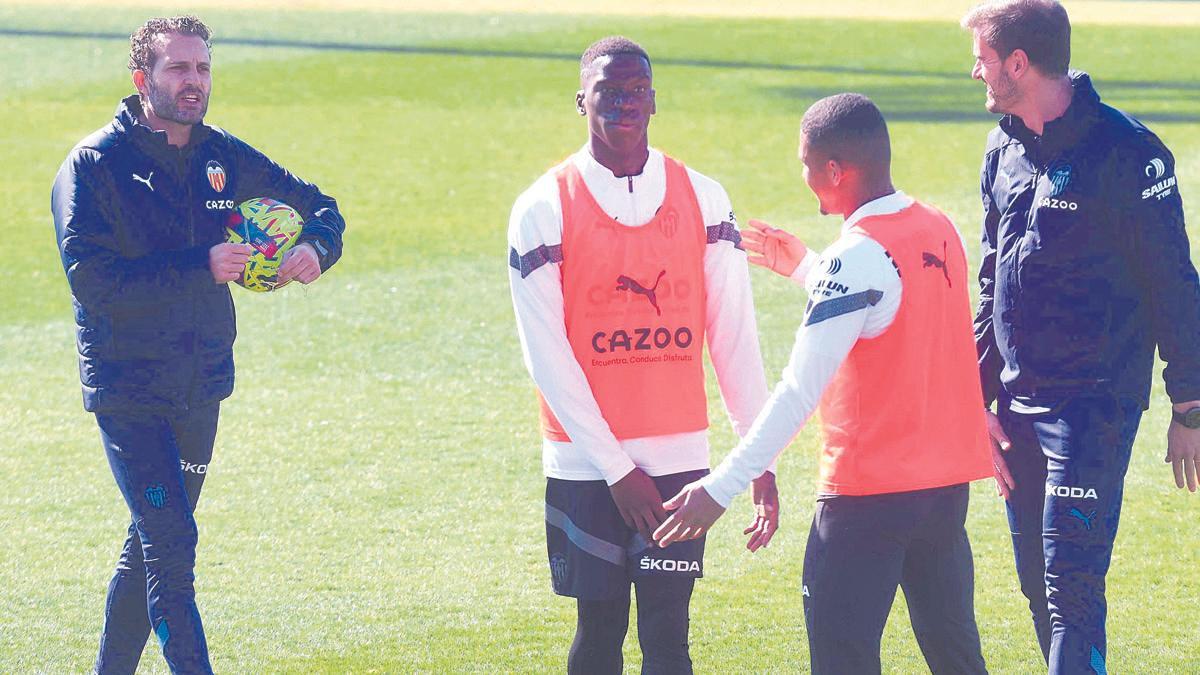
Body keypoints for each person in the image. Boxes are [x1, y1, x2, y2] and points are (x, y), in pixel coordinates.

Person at [654, 93, 993, 674]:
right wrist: (809, 267)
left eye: (807, 164)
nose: (804, 176)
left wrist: (721, 487)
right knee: (957, 656)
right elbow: (895, 308)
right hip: (941, 496)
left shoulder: (854, 258)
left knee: (843, 661)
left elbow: (797, 390)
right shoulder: (936, 227)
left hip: (866, 503)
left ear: (835, 171)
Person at [51, 16, 344, 674]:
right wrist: (201, 265)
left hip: (199, 386)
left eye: (202, 68)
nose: (193, 82)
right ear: (141, 79)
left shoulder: (221, 156)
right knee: (172, 542)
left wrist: (314, 249)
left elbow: (320, 205)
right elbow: (92, 282)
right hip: (130, 393)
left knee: (153, 544)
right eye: (177, 69)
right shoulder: (95, 166)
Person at [507, 36, 777, 674]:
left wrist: (758, 455)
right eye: (608, 90)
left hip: (681, 458)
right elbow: (545, 356)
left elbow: (734, 334)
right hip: (583, 463)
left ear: (655, 100)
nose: (623, 103)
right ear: (582, 100)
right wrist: (615, 470)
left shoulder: (705, 198)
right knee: (598, 632)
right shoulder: (541, 208)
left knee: (668, 633)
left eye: (636, 91)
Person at [960, 1, 1200, 671]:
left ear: (1017, 63)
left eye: (981, 60)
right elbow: (990, 282)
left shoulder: (1130, 152)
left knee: (1071, 587)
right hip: (1014, 409)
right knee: (1040, 588)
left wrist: (1190, 403)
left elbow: (1175, 282)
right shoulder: (1001, 145)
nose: (973, 72)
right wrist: (974, 399)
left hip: (1093, 409)